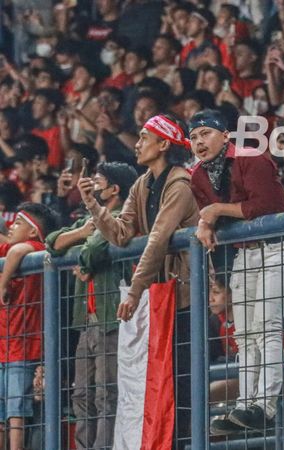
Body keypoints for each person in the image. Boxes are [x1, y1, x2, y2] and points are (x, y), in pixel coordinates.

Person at [76, 113, 198, 449]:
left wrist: (134, 291)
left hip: (186, 297)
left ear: (163, 145)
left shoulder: (180, 183)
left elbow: (158, 238)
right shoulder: (143, 183)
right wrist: (92, 203)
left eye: (145, 137)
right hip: (161, 297)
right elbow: (120, 233)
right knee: (162, 380)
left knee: (181, 382)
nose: (138, 142)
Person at [188, 109, 284, 433]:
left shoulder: (252, 158)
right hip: (245, 252)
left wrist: (214, 211)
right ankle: (244, 404)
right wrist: (205, 221)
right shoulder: (197, 175)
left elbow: (264, 206)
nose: (199, 141)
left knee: (267, 323)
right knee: (244, 332)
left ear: (225, 135)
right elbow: (210, 216)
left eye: (206, 133)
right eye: (194, 137)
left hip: (280, 245)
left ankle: (263, 404)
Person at [44, 162, 138, 450]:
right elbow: (51, 242)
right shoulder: (89, 220)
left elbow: (97, 248)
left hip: (113, 317)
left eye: (97, 181)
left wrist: (82, 255)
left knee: (106, 393)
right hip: (87, 319)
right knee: (81, 395)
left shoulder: (123, 215)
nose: (92, 186)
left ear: (114, 189)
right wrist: (83, 236)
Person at [0, 203, 58, 450]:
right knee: (5, 412)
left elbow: (16, 251)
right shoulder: (13, 247)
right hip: (5, 346)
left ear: (34, 231)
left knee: (17, 412)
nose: (12, 226)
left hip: (24, 346)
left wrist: (3, 284)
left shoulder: (37, 248)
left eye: (19, 223)